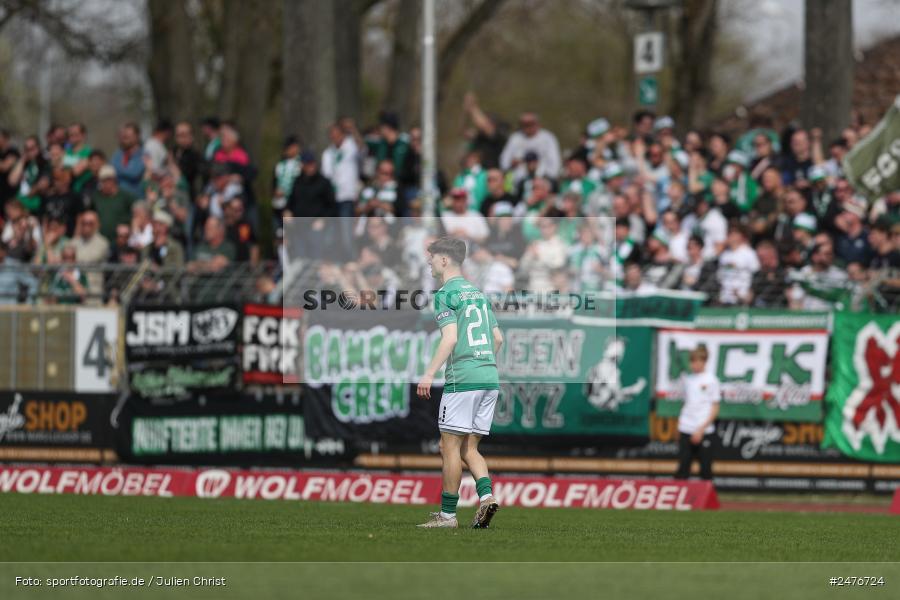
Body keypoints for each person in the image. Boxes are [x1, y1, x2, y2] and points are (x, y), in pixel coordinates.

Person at [416, 237, 502, 530]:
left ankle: (448, 516)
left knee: (448, 447)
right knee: (470, 449)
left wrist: (428, 373)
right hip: (489, 376)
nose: (429, 261)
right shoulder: (478, 293)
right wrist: (483, 364)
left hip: (464, 379)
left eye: (432, 257)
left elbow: (450, 338)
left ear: (444, 260)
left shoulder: (444, 294)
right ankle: (487, 497)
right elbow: (498, 339)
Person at [674, 345, 720, 480]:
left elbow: (715, 407)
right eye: (692, 361)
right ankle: (681, 499)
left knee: (705, 470)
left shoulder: (711, 380)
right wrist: (680, 425)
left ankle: (706, 500)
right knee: (683, 468)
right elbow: (686, 404)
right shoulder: (688, 380)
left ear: (704, 361)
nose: (694, 365)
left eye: (697, 361)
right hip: (686, 428)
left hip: (704, 431)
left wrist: (701, 429)